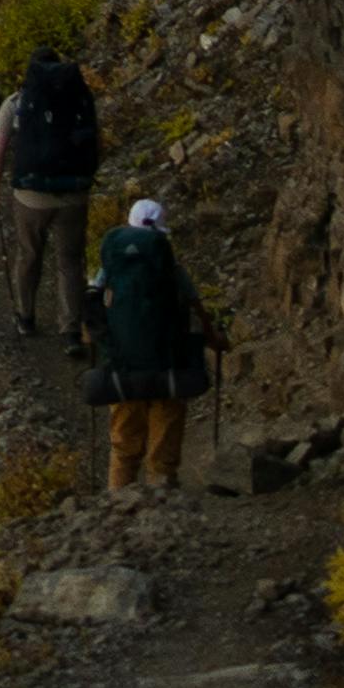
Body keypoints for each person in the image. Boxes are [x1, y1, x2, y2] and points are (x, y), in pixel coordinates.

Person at [93, 188, 219, 489]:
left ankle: (117, 504)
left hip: (123, 369)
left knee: (124, 445)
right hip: (167, 368)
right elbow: (195, 308)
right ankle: (162, 504)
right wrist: (214, 338)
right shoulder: (171, 269)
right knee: (163, 447)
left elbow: (94, 307)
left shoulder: (109, 269)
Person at [0, 27, 105, 331]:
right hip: (74, 194)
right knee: (69, 261)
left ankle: (26, 317)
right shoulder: (79, 98)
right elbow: (94, 141)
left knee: (29, 255)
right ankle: (70, 330)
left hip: (30, 194)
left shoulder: (17, 102)